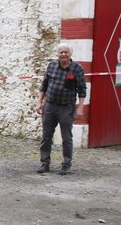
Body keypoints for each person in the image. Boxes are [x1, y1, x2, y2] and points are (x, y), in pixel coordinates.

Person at [36, 42, 87, 175]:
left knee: (67, 138)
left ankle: (66, 165)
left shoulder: (77, 69)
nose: (63, 54)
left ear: (70, 54)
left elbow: (82, 90)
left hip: (67, 108)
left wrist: (80, 108)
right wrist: (39, 102)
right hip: (50, 106)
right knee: (46, 136)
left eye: (66, 52)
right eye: (61, 52)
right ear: (58, 54)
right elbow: (44, 85)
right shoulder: (51, 66)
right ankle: (44, 163)